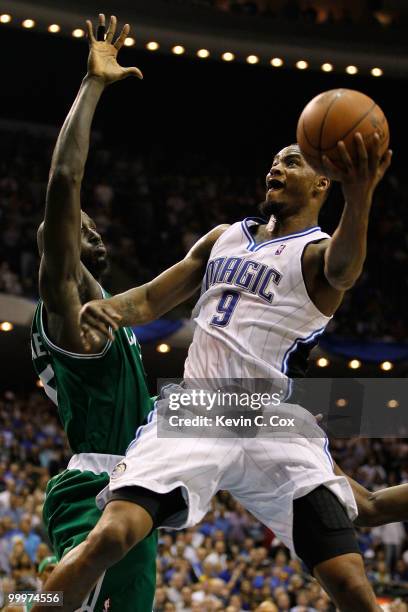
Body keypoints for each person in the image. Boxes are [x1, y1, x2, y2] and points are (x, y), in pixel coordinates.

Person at [34, 120, 402, 609]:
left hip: (269, 418)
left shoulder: (318, 254)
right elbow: (148, 300)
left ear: (321, 184)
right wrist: (113, 308)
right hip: (199, 410)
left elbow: (346, 266)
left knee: (351, 582)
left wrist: (360, 196)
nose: (277, 164)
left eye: (293, 160)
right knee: (111, 536)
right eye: (275, 158)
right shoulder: (224, 238)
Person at [30, 14, 157, 612]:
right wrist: (94, 86)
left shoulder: (109, 316)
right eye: (80, 225)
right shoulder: (66, 309)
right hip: (98, 488)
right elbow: (64, 177)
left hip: (134, 485)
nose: (93, 227)